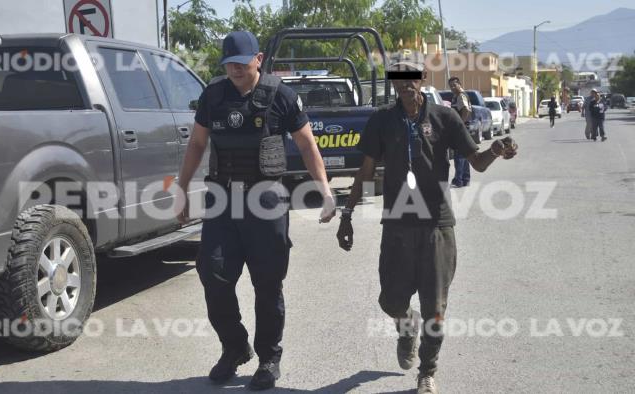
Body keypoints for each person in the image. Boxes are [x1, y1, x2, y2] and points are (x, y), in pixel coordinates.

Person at [336, 60, 518, 394]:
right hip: (397, 227)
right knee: (391, 301)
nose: (405, 85)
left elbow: (475, 161)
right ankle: (407, 327)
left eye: (411, 79)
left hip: (437, 225)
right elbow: (365, 171)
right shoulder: (381, 121)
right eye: (399, 80)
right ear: (393, 84)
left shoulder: (444, 117)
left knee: (435, 309)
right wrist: (346, 215)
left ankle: (427, 371)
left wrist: (495, 150)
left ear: (422, 80)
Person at [176, 31, 336, 390]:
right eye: (229, 63)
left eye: (241, 62)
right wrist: (182, 189)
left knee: (267, 282)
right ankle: (234, 348)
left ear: (258, 59)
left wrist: (324, 190)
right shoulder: (213, 95)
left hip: (266, 200)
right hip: (222, 199)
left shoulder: (281, 95)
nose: (234, 68)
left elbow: (306, 143)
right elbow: (198, 143)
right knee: (213, 274)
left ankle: (268, 357)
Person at [448, 76, 472, 187]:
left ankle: (459, 180)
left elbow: (466, 110)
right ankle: (465, 178)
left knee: (459, 155)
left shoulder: (461, 96)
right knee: (465, 154)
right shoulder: (457, 95)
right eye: (450, 86)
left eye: (454, 85)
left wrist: (460, 124)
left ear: (459, 84)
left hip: (462, 128)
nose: (452, 87)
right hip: (464, 128)